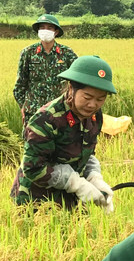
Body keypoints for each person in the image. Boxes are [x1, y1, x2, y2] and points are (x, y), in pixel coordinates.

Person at [11, 56, 117, 209]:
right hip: (36, 201)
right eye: (87, 97)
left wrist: (94, 177)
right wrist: (75, 183)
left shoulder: (94, 117)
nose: (93, 105)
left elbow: (87, 153)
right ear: (71, 89)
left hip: (70, 200)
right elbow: (33, 168)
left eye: (100, 99)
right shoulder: (46, 120)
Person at [13, 14, 78, 128]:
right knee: (32, 139)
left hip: (59, 110)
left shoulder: (67, 53)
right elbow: (20, 84)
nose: (45, 30)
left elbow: (77, 79)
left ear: (56, 32)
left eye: (49, 28)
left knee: (60, 139)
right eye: (42, 27)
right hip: (34, 111)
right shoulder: (28, 52)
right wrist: (23, 106)